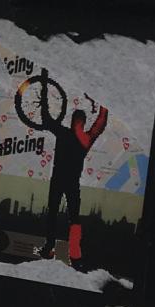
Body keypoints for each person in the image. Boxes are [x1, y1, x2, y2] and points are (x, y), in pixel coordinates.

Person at [38, 103, 108, 266]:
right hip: (71, 183)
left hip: (59, 181)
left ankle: (51, 248)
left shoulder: (64, 133)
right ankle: (74, 256)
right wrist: (104, 107)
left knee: (54, 215)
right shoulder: (85, 139)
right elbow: (100, 124)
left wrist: (44, 97)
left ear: (72, 121)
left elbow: (47, 120)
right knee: (73, 219)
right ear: (83, 123)